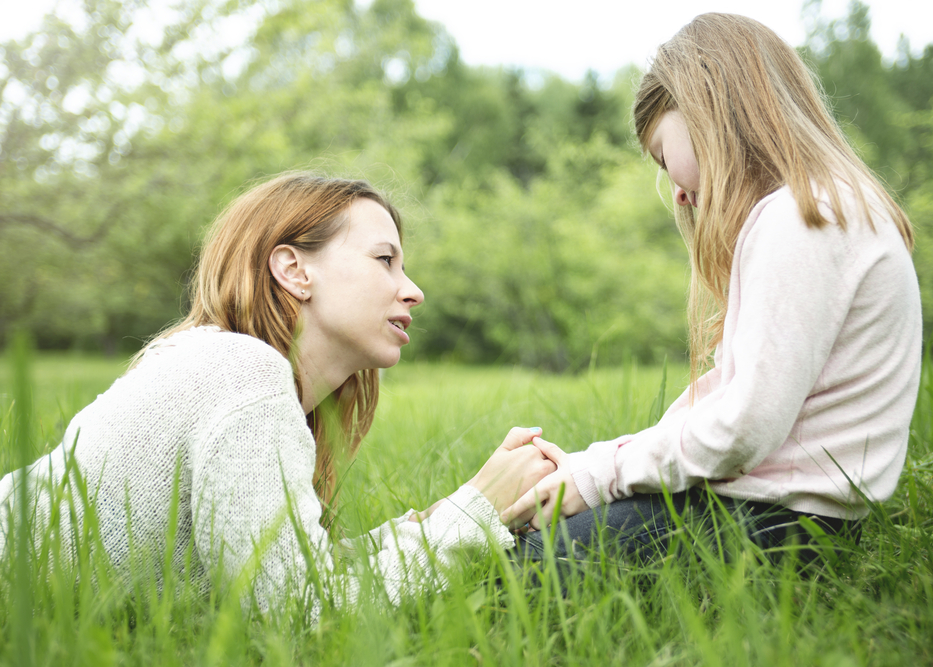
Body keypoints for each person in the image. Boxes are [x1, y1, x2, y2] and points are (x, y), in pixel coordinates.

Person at [0, 172, 555, 611]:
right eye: (385, 260)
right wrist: (475, 510)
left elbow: (286, 576)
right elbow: (303, 611)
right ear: (294, 269)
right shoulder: (242, 373)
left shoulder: (230, 367)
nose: (413, 291)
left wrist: (440, 519)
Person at [504, 13, 922, 563]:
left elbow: (743, 427)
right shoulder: (820, 209)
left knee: (522, 563)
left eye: (663, 155)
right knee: (537, 538)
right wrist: (595, 467)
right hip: (786, 518)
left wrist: (598, 479)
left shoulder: (800, 217)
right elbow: (728, 400)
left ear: (708, 108)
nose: (676, 192)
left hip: (771, 523)